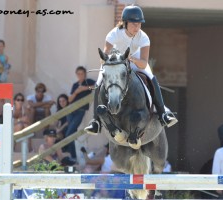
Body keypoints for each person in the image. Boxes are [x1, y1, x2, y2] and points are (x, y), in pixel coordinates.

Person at [85, 5, 178, 135]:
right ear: (125, 23)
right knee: (98, 82)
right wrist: (114, 61)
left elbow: (143, 63)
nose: (137, 27)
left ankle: (163, 113)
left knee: (151, 78)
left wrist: (131, 59)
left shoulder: (143, 37)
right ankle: (95, 121)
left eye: (139, 23)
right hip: (114, 63)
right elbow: (104, 56)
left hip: (135, 60)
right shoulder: (114, 34)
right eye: (134, 24)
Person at [64, 66, 95, 158]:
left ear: (85, 74)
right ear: (76, 74)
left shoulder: (88, 81)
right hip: (71, 110)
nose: (80, 75)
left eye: (82, 73)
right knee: (72, 133)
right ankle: (73, 156)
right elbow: (69, 99)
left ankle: (71, 155)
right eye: (78, 74)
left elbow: (97, 86)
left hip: (80, 110)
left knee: (69, 133)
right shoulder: (75, 85)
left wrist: (84, 88)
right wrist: (76, 92)